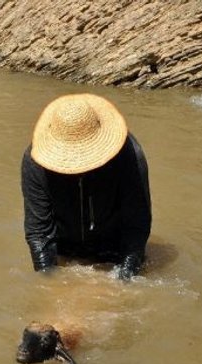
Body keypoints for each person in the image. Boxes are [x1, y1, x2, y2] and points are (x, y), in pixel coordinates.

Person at [20, 93, 152, 281]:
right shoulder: (35, 163)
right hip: (65, 249)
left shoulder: (129, 156)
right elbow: (39, 233)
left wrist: (125, 279)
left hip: (113, 248)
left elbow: (137, 224)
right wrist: (49, 285)